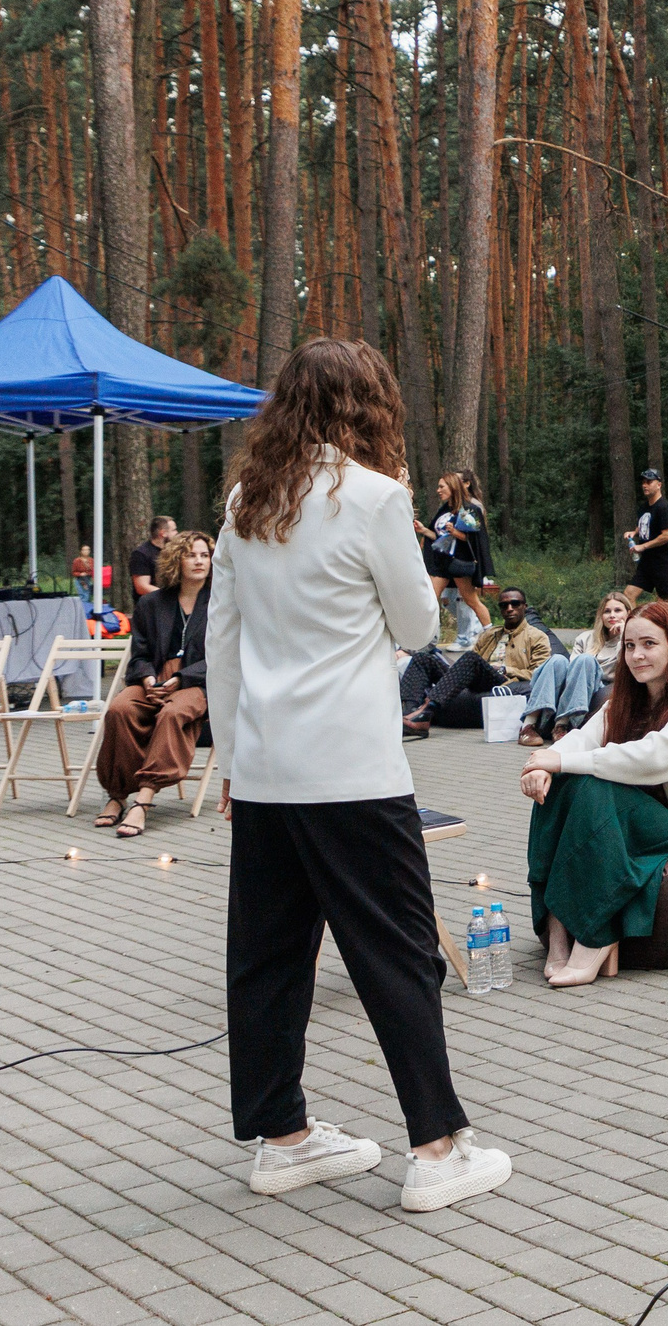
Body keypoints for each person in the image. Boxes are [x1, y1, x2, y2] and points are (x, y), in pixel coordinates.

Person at [207, 337, 508, 1213]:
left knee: (265, 959)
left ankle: (282, 1137)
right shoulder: (377, 498)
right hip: (350, 768)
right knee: (397, 952)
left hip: (264, 765)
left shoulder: (246, 499)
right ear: (367, 405)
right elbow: (418, 624)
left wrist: (229, 759)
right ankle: (437, 1148)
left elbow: (221, 643)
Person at [516, 601, 668, 989]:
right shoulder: (622, 703)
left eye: (649, 644)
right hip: (627, 817)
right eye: (629, 646)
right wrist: (540, 765)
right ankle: (557, 925)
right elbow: (581, 740)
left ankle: (595, 935)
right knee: (562, 785)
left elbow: (651, 758)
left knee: (588, 782)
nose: (636, 655)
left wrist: (559, 763)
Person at [94, 529, 213, 836]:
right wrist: (147, 677)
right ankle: (118, 795)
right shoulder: (152, 604)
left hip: (197, 684)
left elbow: (226, 657)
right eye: (191, 555)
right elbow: (140, 653)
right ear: (176, 559)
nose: (200, 561)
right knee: (119, 709)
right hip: (153, 681)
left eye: (205, 555)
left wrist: (181, 677)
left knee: (172, 714)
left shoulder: (221, 604)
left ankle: (143, 799)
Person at [400, 585, 554, 737]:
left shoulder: (537, 637)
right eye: (504, 605)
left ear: (524, 607)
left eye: (515, 604)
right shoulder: (490, 634)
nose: (509, 608)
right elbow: (471, 664)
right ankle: (409, 715)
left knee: (471, 659)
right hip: (477, 677)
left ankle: (427, 712)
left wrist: (505, 669)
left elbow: (539, 674)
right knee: (423, 658)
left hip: (503, 680)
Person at [519, 592, 629, 742]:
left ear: (628, 613)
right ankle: (528, 725)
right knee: (557, 660)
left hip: (600, 692)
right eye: (607, 611)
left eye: (618, 610)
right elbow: (572, 671)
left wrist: (624, 635)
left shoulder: (630, 640)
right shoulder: (585, 638)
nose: (612, 615)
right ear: (600, 616)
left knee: (586, 660)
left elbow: (625, 667)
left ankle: (562, 725)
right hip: (575, 689)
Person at [415, 473, 493, 642]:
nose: (438, 490)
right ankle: (428, 639)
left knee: (471, 601)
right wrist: (423, 530)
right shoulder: (444, 509)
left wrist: (456, 532)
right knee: (429, 599)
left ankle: (491, 634)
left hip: (459, 562)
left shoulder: (468, 509)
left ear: (452, 487)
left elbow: (475, 539)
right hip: (441, 563)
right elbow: (439, 537)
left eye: (442, 486)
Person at [623, 468, 668, 605]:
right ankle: (633, 625)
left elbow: (667, 536)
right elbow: (645, 524)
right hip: (647, 561)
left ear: (659, 484)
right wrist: (634, 532)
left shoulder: (664, 507)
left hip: (663, 561)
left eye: (649, 482)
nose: (645, 485)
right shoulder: (644, 507)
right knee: (628, 594)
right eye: (643, 482)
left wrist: (643, 546)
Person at [131, 515, 177, 599]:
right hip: (150, 606)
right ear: (163, 533)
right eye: (174, 530)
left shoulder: (173, 552)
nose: (177, 533)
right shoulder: (141, 554)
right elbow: (142, 587)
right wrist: (170, 597)